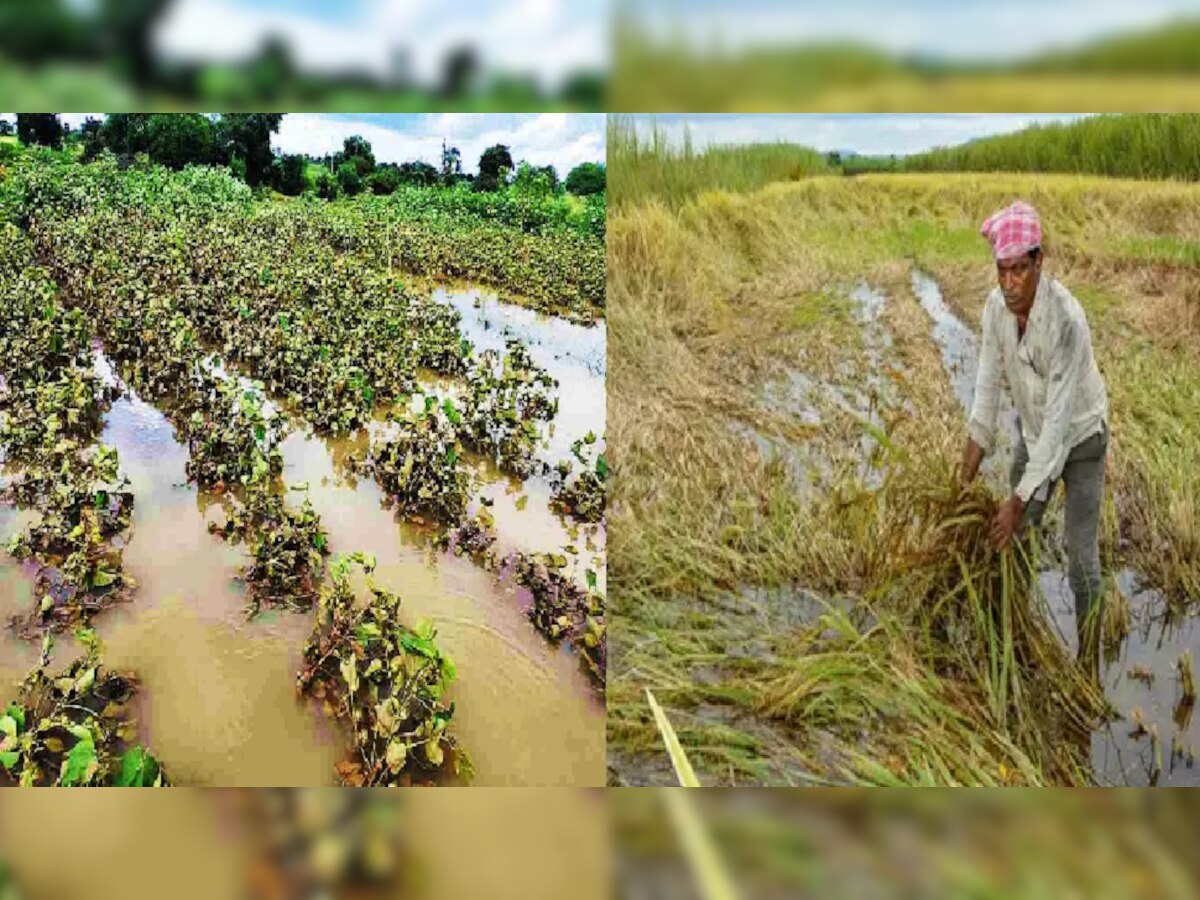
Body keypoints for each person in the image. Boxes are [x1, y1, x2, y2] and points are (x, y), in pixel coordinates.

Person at [959, 200, 1109, 675]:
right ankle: (1015, 640)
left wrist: (1018, 499)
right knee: (1016, 542)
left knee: (1081, 559)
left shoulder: (1066, 320)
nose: (1009, 284)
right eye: (1001, 271)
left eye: (1019, 270)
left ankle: (1089, 660)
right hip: (1034, 431)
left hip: (1082, 438)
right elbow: (985, 394)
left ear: (1039, 262)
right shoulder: (994, 310)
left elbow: (1061, 424)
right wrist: (963, 476)